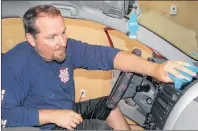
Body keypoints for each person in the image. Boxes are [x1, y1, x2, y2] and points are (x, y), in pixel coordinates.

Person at [1, 4, 196, 130]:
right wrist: (53, 116)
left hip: (65, 108)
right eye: (52, 37)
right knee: (99, 128)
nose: (62, 41)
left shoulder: (66, 48)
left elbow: (107, 56)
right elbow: (5, 114)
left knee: (109, 107)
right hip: (46, 125)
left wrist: (156, 70)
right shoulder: (14, 64)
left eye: (63, 33)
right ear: (31, 39)